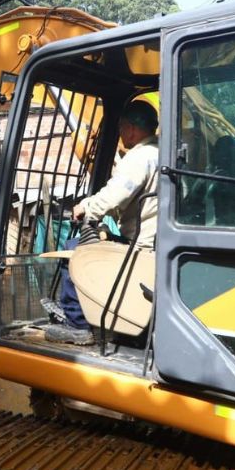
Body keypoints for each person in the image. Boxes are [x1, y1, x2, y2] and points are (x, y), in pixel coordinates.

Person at [45, 99, 159, 345]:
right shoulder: (164, 154)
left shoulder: (140, 157)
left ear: (130, 129)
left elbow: (115, 193)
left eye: (121, 129)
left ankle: (77, 324)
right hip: (156, 242)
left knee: (74, 251)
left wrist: (86, 208)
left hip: (140, 245)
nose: (120, 135)